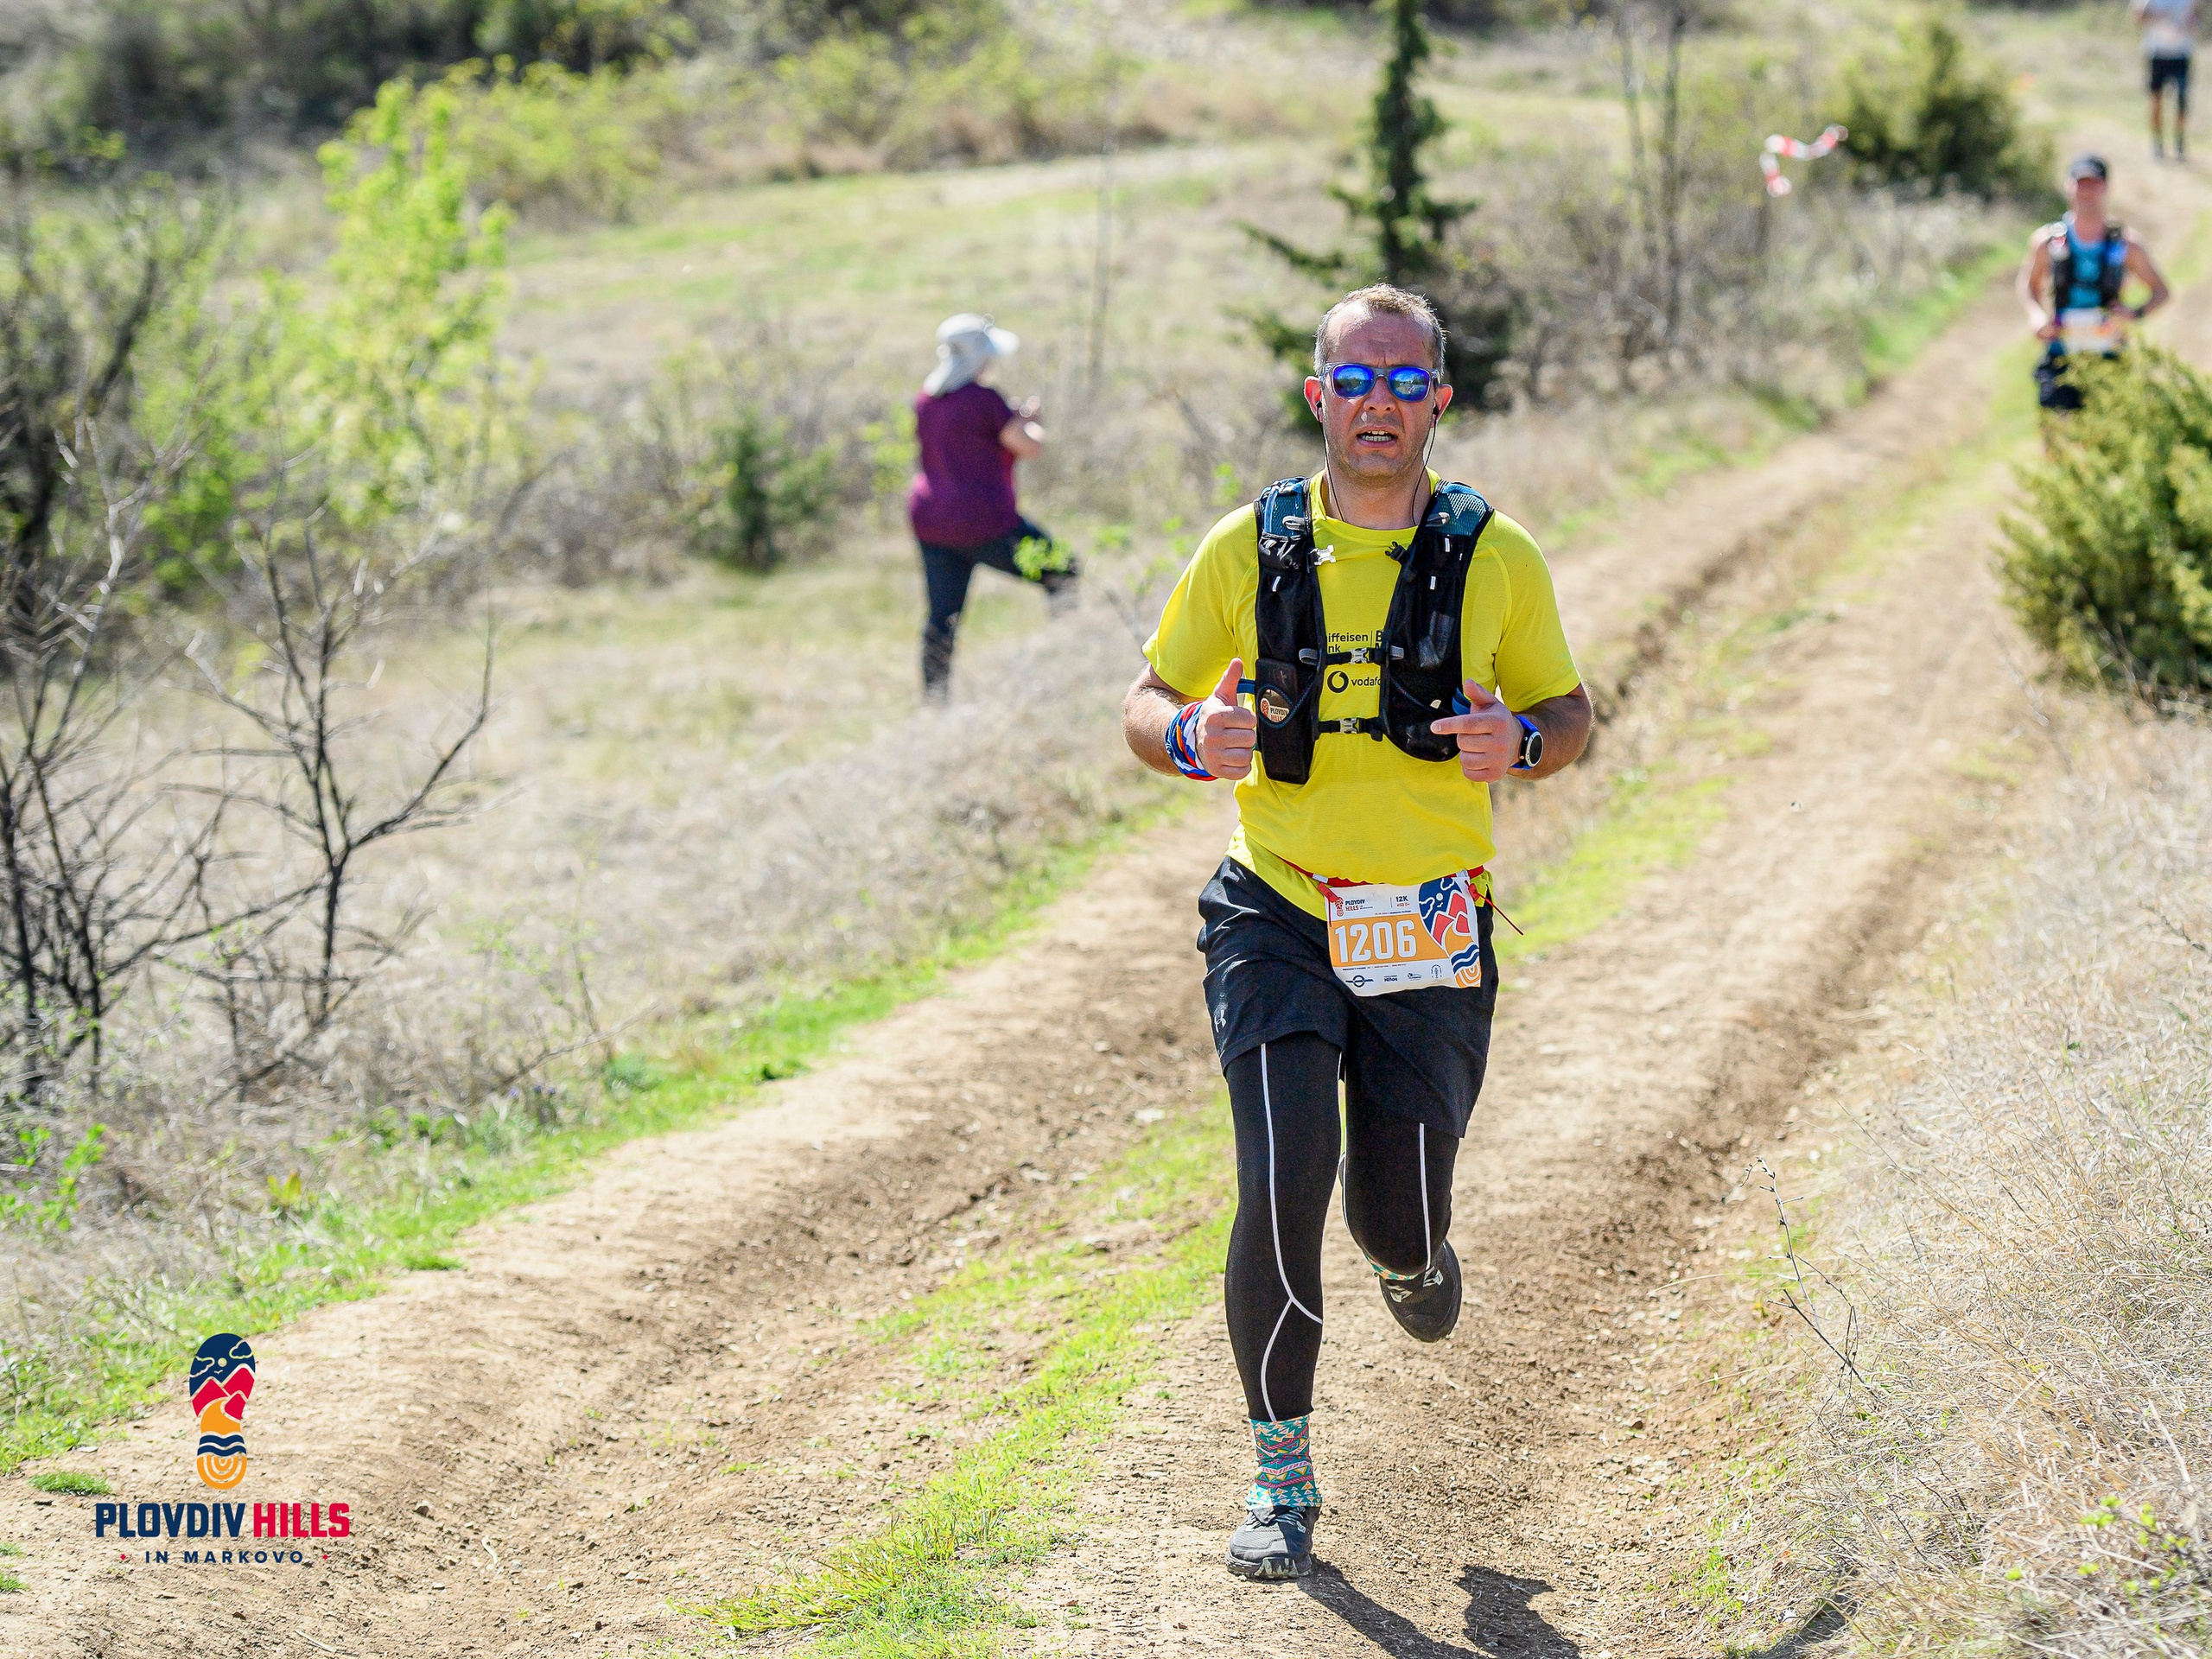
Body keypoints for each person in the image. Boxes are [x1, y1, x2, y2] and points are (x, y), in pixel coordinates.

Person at [1121, 283, 1592, 1582]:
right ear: (1315, 395)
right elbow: (1150, 695)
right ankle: (1281, 1480)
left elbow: (1569, 708)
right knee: (1281, 1171)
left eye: (1404, 381)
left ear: (1440, 398)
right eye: (1354, 379)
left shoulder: (1498, 555)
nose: (1377, 404)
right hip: (1276, 899)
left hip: (1433, 924)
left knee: (1389, 1214)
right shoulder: (1249, 544)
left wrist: (1530, 743)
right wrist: (1183, 736)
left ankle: (1417, 1251)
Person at [906, 313, 1076, 701]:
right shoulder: (984, 400)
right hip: (984, 521)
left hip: (932, 520)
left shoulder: (927, 399)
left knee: (942, 617)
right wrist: (1034, 423)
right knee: (1064, 572)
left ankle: (935, 702)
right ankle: (1068, 667)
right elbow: (1029, 446)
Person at [2018, 155, 2170, 412]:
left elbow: (2161, 291)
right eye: (2081, 184)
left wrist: (2134, 313)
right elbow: (2028, 285)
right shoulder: (2047, 241)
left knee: (2109, 438)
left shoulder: (2126, 244)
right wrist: (2036, 316)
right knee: (2059, 438)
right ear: (2069, 186)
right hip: (2061, 353)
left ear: (2106, 187)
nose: (2086, 192)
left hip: (2109, 354)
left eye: (2094, 184)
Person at [2136, 0, 2197, 160]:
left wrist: (2190, 25)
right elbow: (2139, 17)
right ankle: (2157, 144)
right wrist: (2161, 19)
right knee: (2156, 100)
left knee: (2182, 101)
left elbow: (2194, 18)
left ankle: (2179, 144)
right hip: (2157, 53)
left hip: (2181, 53)